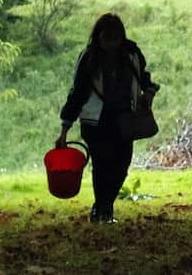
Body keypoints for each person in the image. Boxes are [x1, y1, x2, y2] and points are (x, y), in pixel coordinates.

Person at [56, 13, 158, 223]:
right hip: (96, 122)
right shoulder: (89, 58)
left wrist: (148, 92)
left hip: (125, 119)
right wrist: (65, 128)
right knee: (102, 165)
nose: (111, 44)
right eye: (107, 39)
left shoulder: (132, 53)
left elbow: (143, 77)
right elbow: (77, 93)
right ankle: (102, 209)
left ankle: (104, 205)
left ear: (121, 37)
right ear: (99, 37)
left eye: (115, 39)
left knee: (122, 164)